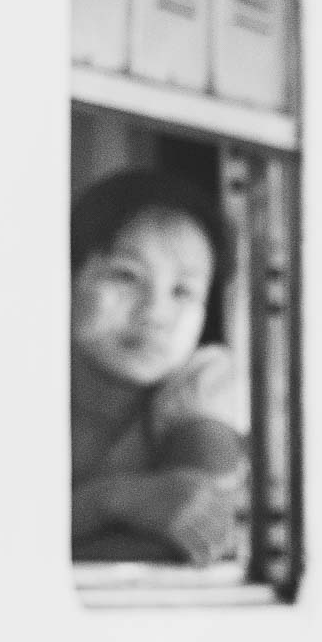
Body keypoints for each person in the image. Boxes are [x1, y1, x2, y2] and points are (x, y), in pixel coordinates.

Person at [69, 169, 250, 566]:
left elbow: (193, 528)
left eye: (183, 291)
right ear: (65, 278)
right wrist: (111, 500)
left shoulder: (202, 386)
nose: (156, 313)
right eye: (127, 276)